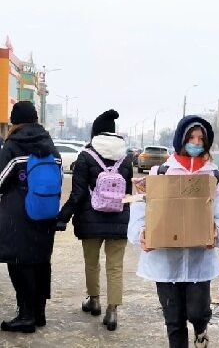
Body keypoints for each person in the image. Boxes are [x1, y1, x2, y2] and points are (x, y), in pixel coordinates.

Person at [128, 115, 219, 348]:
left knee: (198, 312)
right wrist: (141, 234)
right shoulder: (160, 173)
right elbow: (141, 208)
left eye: (201, 139)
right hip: (165, 261)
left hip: (199, 260)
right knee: (174, 320)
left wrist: (218, 233)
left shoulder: (214, 177)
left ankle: (201, 330)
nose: (196, 143)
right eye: (191, 138)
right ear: (181, 140)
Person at [57, 109, 132, 331]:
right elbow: (126, 192)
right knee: (115, 267)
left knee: (92, 262)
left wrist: (63, 217)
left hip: (90, 220)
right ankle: (112, 311)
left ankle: (94, 300)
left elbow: (78, 194)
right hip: (119, 219)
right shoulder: (126, 158)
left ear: (95, 133)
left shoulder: (85, 156)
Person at [0, 101, 63, 333]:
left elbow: (0, 181)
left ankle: (25, 315)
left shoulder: (13, 145)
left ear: (15, 121)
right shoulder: (50, 144)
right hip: (46, 214)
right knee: (40, 262)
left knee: (19, 263)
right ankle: (39, 312)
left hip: (18, 215)